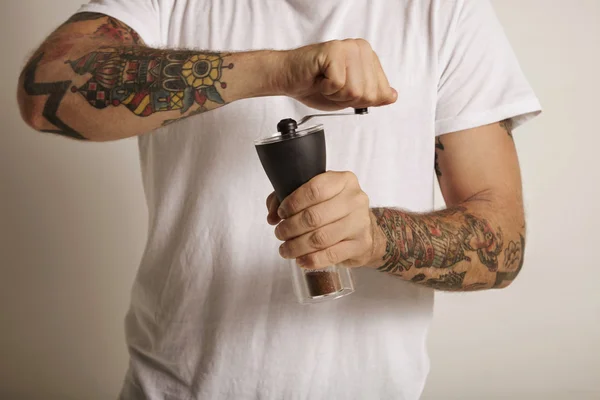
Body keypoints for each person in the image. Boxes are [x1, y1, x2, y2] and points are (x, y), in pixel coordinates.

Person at [17, 0, 541, 398]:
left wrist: (377, 237)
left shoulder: (444, 12)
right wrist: (276, 71)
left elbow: (503, 242)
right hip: (176, 387)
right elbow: (49, 88)